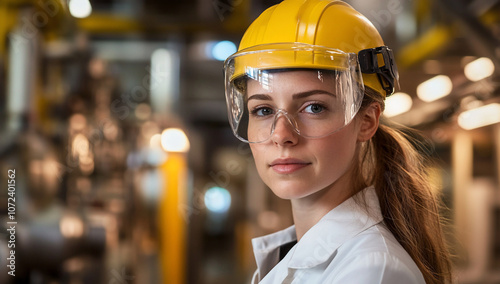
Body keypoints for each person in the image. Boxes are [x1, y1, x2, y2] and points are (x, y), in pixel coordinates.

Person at [223, 0, 452, 283]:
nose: (282, 135)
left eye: (314, 108)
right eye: (263, 110)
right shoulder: (292, 253)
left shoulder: (372, 272)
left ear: (367, 121)